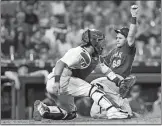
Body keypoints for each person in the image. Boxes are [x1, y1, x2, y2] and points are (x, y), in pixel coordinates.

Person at [33, 28, 132, 121]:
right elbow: (60, 63)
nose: (102, 43)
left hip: (63, 83)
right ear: (93, 41)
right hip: (61, 80)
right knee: (94, 90)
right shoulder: (78, 52)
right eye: (100, 40)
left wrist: (119, 82)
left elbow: (106, 71)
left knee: (70, 113)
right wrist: (57, 82)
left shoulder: (94, 57)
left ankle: (43, 109)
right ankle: (112, 111)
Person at [90, 5, 139, 118]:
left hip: (118, 80)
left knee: (95, 84)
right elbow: (101, 61)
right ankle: (125, 111)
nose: (117, 39)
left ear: (127, 40)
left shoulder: (128, 48)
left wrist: (134, 16)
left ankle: (121, 102)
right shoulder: (114, 50)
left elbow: (131, 34)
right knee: (95, 114)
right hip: (109, 81)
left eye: (120, 38)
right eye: (116, 38)